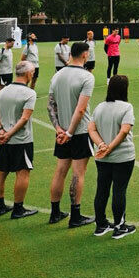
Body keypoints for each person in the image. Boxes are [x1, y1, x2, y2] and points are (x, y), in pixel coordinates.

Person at [47, 41, 96, 228]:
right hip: (79, 132)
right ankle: (75, 216)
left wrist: (58, 129)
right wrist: (69, 132)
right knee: (78, 173)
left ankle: (55, 212)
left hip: (62, 132)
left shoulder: (57, 75)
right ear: (84, 54)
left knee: (60, 171)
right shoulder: (86, 77)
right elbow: (81, 109)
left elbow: (50, 105)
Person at [88, 75, 136, 239]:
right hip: (122, 156)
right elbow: (124, 131)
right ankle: (119, 226)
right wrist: (109, 148)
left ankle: (101, 224)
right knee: (119, 190)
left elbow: (91, 129)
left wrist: (101, 145)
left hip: (101, 158)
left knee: (102, 189)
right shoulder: (126, 107)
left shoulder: (100, 107)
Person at [0, 61, 38, 218]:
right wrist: (9, 134)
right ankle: (18, 209)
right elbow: (24, 118)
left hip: (5, 140)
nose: (33, 74)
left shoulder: (3, 91)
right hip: (21, 140)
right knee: (22, 173)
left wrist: (1, 131)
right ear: (27, 74)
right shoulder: (29, 93)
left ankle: (0, 207)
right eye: (32, 72)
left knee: (1, 172)